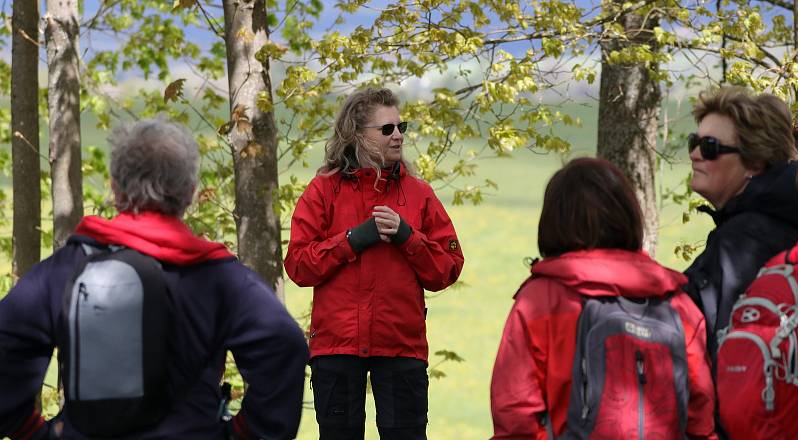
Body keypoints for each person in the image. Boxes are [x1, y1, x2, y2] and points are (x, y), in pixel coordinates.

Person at [0, 119, 309, 439]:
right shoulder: (220, 278)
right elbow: (284, 345)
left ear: (115, 189)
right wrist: (243, 434)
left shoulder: (65, 269)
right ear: (190, 192)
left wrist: (33, 432)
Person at [490, 158, 716, 439]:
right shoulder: (677, 303)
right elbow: (700, 418)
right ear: (628, 213)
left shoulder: (541, 300)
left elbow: (516, 415)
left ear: (553, 219)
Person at [284, 87, 464, 440]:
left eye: (401, 127)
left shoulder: (419, 193)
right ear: (357, 135)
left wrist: (407, 237)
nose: (398, 135)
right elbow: (298, 266)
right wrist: (351, 241)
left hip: (401, 346)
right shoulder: (323, 191)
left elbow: (448, 268)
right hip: (337, 347)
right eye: (387, 129)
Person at [683, 86, 798, 364]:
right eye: (693, 143)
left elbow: (714, 347)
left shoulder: (741, 242)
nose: (695, 154)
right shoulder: (781, 218)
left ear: (754, 163)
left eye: (710, 147)